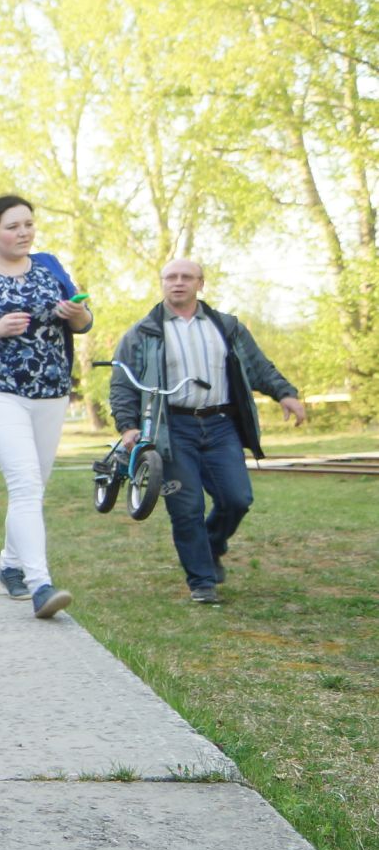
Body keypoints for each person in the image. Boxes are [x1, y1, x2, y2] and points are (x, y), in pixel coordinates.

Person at [108, 259, 306, 606]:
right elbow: (123, 384)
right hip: (173, 429)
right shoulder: (143, 333)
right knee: (186, 508)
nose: (178, 283)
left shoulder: (226, 327)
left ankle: (212, 547)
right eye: (171, 277)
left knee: (237, 499)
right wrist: (128, 426)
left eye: (187, 277)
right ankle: (201, 580)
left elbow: (258, 366)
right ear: (162, 283)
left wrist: (286, 394)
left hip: (220, 426)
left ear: (201, 283)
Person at [0, 194, 93, 619]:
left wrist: (75, 314)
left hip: (51, 389)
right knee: (24, 483)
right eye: (13, 226)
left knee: (35, 485)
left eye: (28, 224)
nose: (24, 232)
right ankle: (39, 584)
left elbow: (84, 321)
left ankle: (9, 564)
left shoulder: (49, 265)